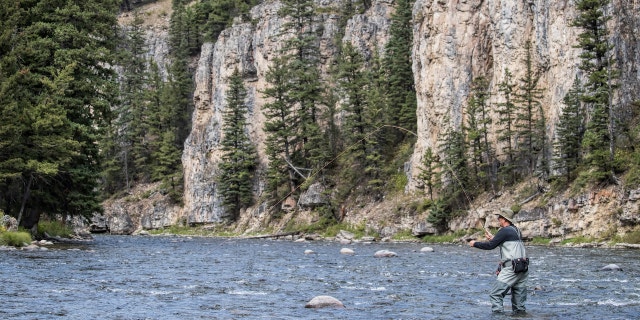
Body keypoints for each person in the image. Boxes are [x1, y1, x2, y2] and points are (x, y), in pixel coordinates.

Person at [469, 208, 528, 314]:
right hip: (523, 268)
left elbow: (490, 246)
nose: (498, 219)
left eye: (499, 217)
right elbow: (509, 245)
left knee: (495, 294)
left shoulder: (504, 231)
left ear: (505, 219)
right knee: (519, 305)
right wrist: (494, 238)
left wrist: (475, 243)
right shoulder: (516, 230)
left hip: (512, 269)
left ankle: (498, 317)